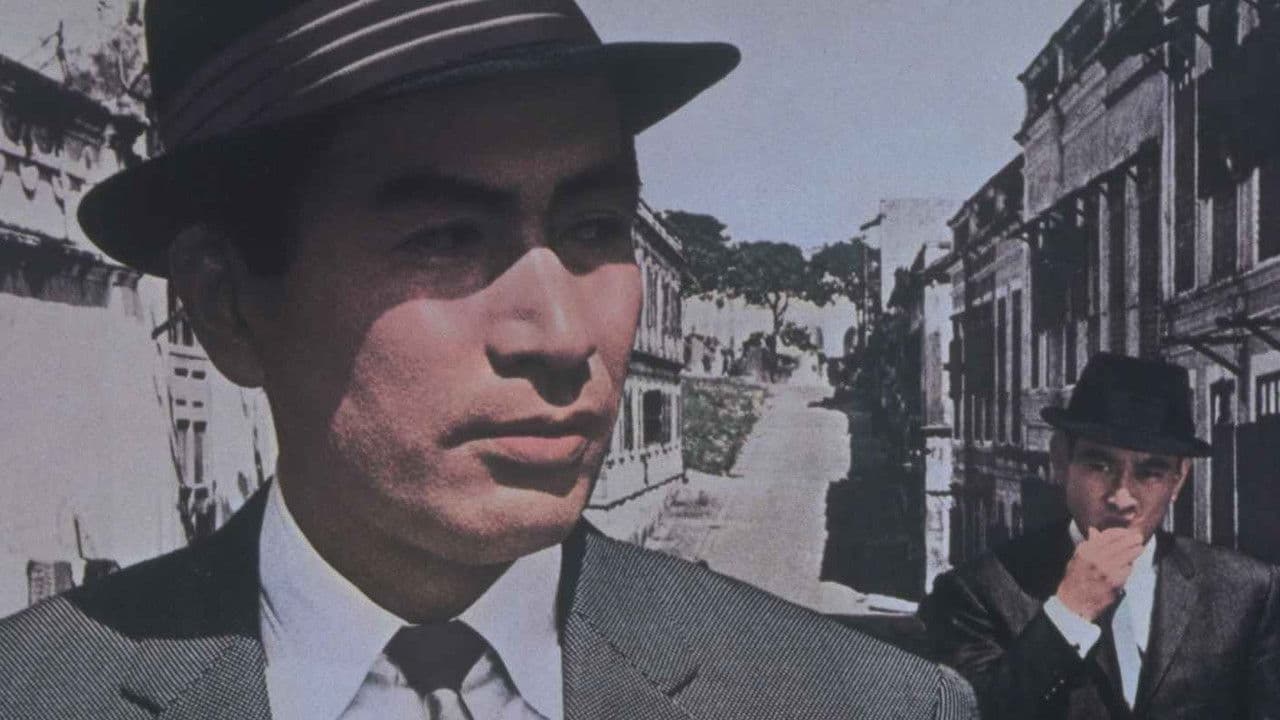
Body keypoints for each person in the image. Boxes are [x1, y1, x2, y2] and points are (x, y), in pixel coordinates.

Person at [0, 1, 977, 718]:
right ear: (226, 305)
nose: (560, 334)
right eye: (444, 239)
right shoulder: (39, 697)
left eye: (593, 228)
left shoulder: (859, 705)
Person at [919, 352, 1280, 719]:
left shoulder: (1246, 592)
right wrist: (1067, 615)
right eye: (1100, 465)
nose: (1121, 498)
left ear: (1179, 479)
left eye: (1149, 473)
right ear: (1061, 460)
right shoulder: (975, 594)